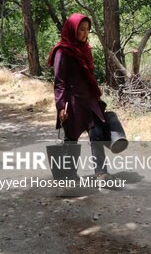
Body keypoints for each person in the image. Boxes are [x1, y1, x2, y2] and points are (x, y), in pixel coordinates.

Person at [47, 13, 112, 181]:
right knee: (71, 138)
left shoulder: (85, 49)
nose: (85, 33)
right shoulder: (62, 51)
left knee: (96, 133)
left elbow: (88, 75)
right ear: (72, 30)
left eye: (87, 30)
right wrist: (61, 106)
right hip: (72, 101)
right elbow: (59, 81)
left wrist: (96, 95)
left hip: (89, 99)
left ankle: (101, 172)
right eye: (81, 29)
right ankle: (68, 174)